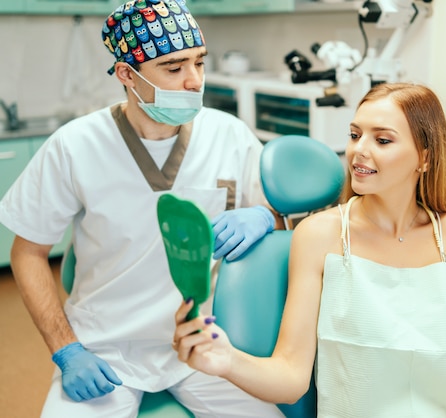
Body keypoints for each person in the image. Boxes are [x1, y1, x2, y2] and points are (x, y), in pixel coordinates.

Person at [172, 82, 446, 417]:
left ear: (424, 158)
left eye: (382, 140)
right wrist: (224, 360)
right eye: (355, 135)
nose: (359, 151)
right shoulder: (319, 236)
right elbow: (290, 376)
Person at [0, 0, 284, 417]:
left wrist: (264, 217)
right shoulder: (75, 145)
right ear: (126, 74)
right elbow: (28, 252)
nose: (194, 81)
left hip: (202, 338)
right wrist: (66, 349)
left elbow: (280, 216)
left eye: (199, 63)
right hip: (104, 345)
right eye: (174, 68)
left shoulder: (228, 134)